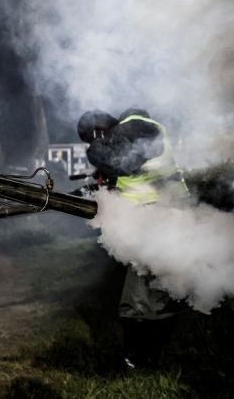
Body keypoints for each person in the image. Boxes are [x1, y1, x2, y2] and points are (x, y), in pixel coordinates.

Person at [77, 107, 189, 368]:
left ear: (96, 130)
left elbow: (123, 162)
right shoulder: (130, 132)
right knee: (154, 291)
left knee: (140, 297)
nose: (96, 143)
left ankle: (139, 359)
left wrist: (96, 151)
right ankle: (148, 357)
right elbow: (129, 173)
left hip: (158, 215)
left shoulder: (137, 125)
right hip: (152, 216)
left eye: (93, 138)